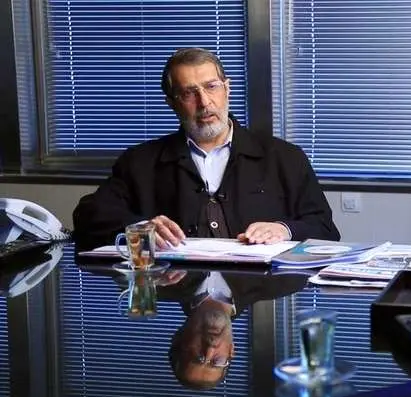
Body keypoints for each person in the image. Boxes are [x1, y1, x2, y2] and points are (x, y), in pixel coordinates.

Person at [72, 47, 340, 250]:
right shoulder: (140, 161)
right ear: (171, 103)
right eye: (189, 93)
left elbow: (325, 229)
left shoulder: (285, 157)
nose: (204, 102)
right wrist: (139, 228)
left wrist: (284, 229)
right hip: (175, 287)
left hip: (260, 293)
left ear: (227, 89)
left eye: (212, 87)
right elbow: (88, 217)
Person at [163, 270, 308, 389]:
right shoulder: (287, 280)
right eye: (217, 361)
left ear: (178, 338)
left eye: (198, 357)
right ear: (231, 350)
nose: (210, 349)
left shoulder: (158, 280)